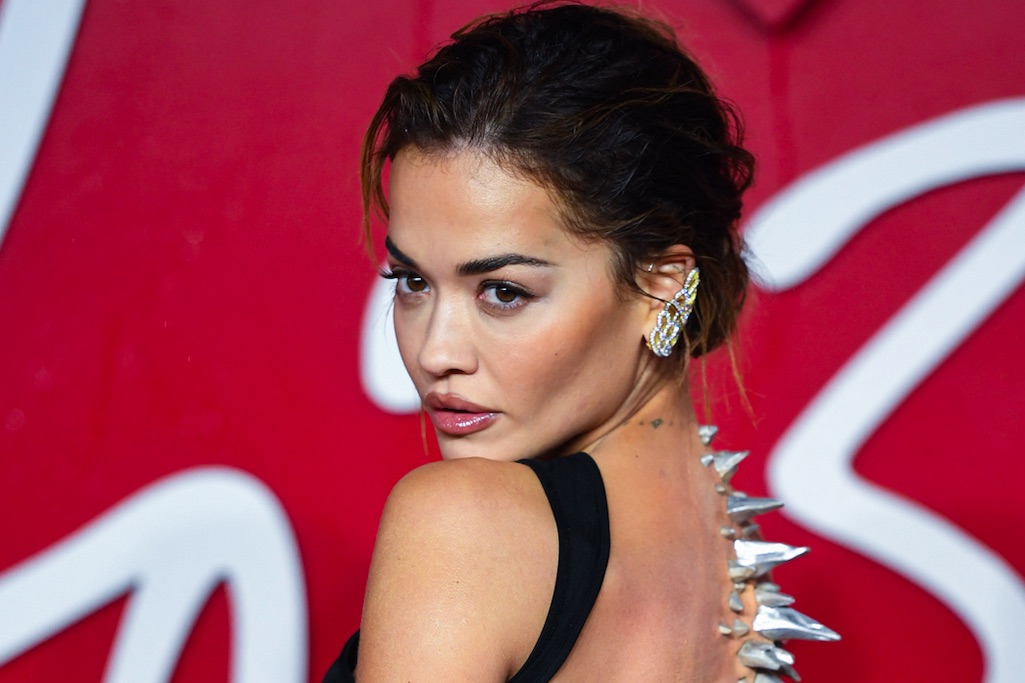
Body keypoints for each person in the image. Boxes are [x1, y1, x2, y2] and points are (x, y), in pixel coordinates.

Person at [324, 2, 838, 680]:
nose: (434, 353)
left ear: (660, 287)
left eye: (503, 292)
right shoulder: (733, 564)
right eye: (412, 281)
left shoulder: (461, 522)